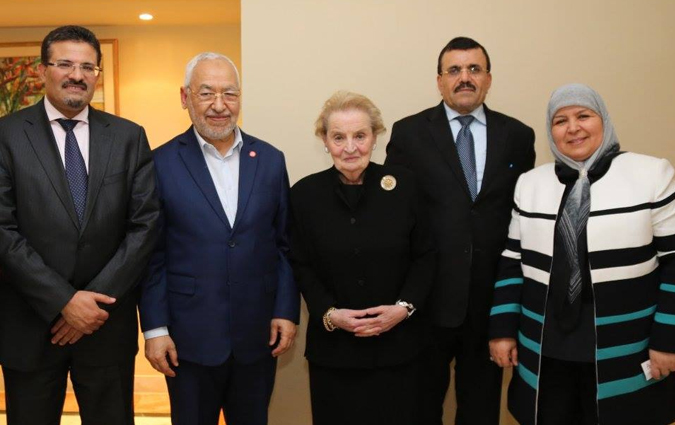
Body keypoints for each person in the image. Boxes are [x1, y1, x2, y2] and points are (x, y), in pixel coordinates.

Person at [488, 83, 675, 425]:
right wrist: (501, 330)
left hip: (627, 341)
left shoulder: (652, 174)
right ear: (550, 131)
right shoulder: (530, 184)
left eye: (583, 115)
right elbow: (512, 263)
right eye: (560, 121)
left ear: (603, 120)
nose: (573, 128)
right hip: (547, 344)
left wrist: (668, 339)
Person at [0, 25, 159, 425]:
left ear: (97, 75)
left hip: (106, 326)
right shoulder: (6, 135)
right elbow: (3, 229)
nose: (77, 75)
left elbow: (144, 226)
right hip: (31, 326)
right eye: (65, 64)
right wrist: (63, 303)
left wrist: (92, 303)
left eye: (88, 67)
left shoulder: (128, 137)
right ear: (41, 71)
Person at [138, 52, 299, 425]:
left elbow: (284, 246)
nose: (219, 106)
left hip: (257, 336)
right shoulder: (159, 163)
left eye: (230, 93)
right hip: (188, 341)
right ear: (185, 97)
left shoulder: (271, 160)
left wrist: (285, 311)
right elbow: (152, 255)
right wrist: (155, 329)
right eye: (206, 93)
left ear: (240, 98)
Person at [384, 36, 536, 424]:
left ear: (488, 78)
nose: (464, 78)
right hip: (426, 304)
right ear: (439, 81)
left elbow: (525, 219)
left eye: (474, 69)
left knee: (482, 410)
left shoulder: (518, 136)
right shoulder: (409, 134)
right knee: (419, 408)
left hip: (491, 306)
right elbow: (395, 220)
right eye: (454, 70)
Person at [290, 91, 436, 425]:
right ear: (324, 141)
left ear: (375, 137)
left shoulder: (405, 186)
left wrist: (403, 309)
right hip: (334, 352)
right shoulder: (304, 195)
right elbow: (300, 263)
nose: (350, 147)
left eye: (360, 136)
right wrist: (329, 313)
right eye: (338, 137)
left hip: (400, 348)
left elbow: (426, 255)